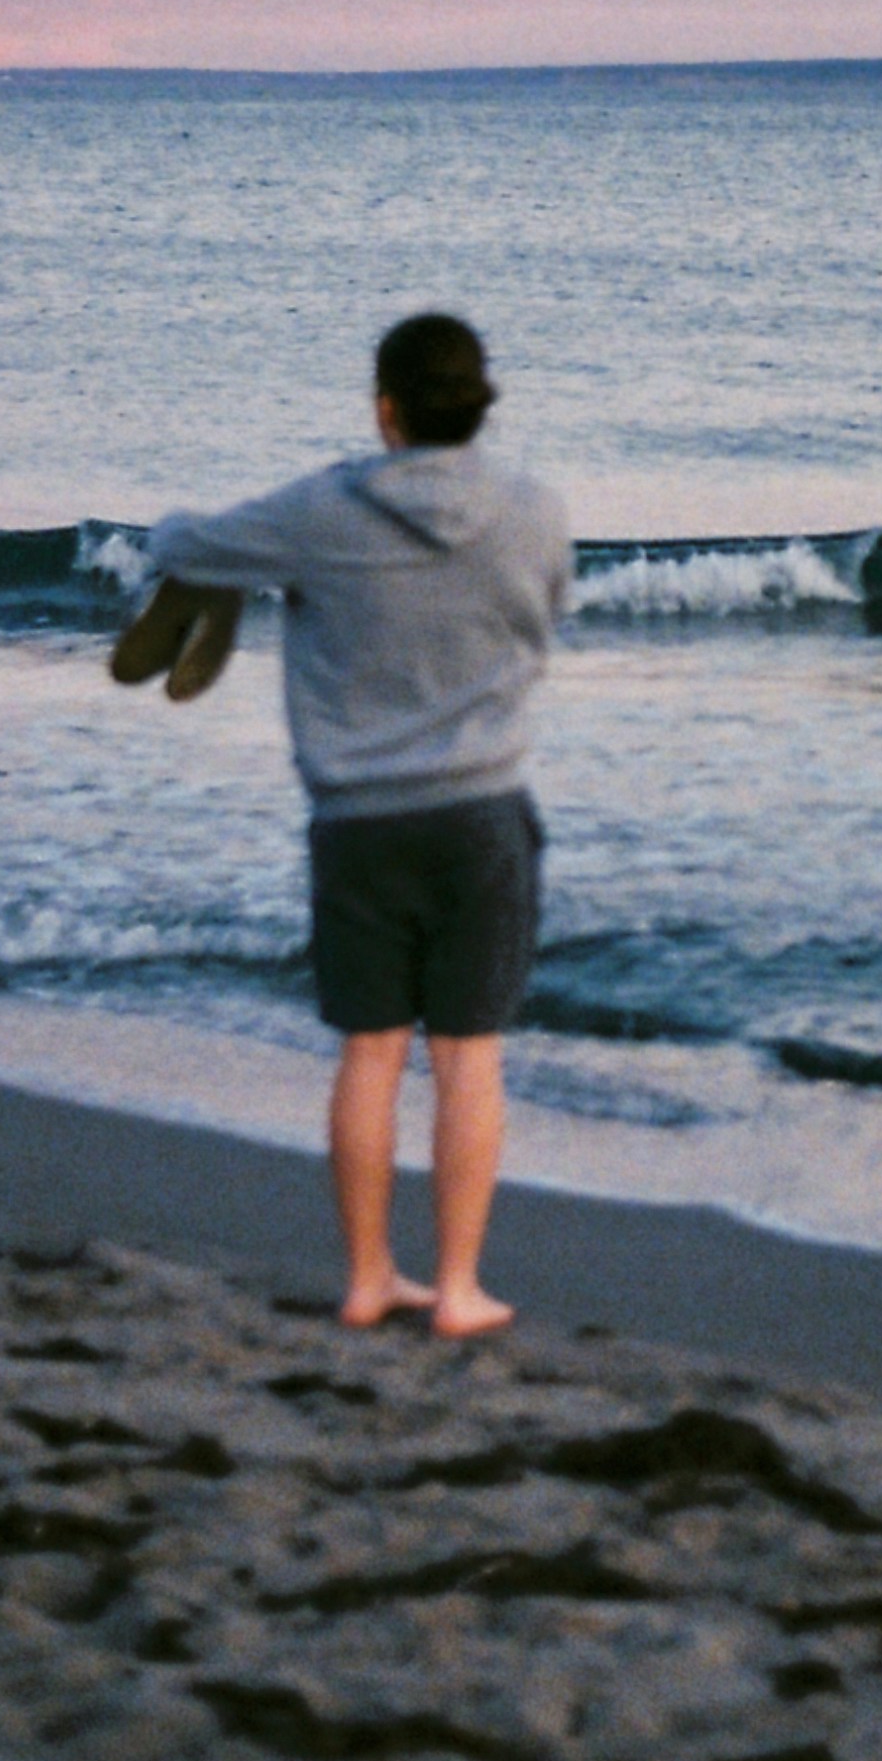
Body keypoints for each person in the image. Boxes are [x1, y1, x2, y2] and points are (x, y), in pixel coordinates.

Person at [134, 314, 572, 1337]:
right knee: (470, 1056)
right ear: (481, 405)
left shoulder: (321, 510)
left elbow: (184, 541)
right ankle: (459, 1287)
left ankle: (371, 1276)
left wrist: (183, 544)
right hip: (483, 813)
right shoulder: (534, 510)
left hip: (360, 822)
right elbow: (546, 622)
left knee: (371, 1052)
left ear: (385, 409)